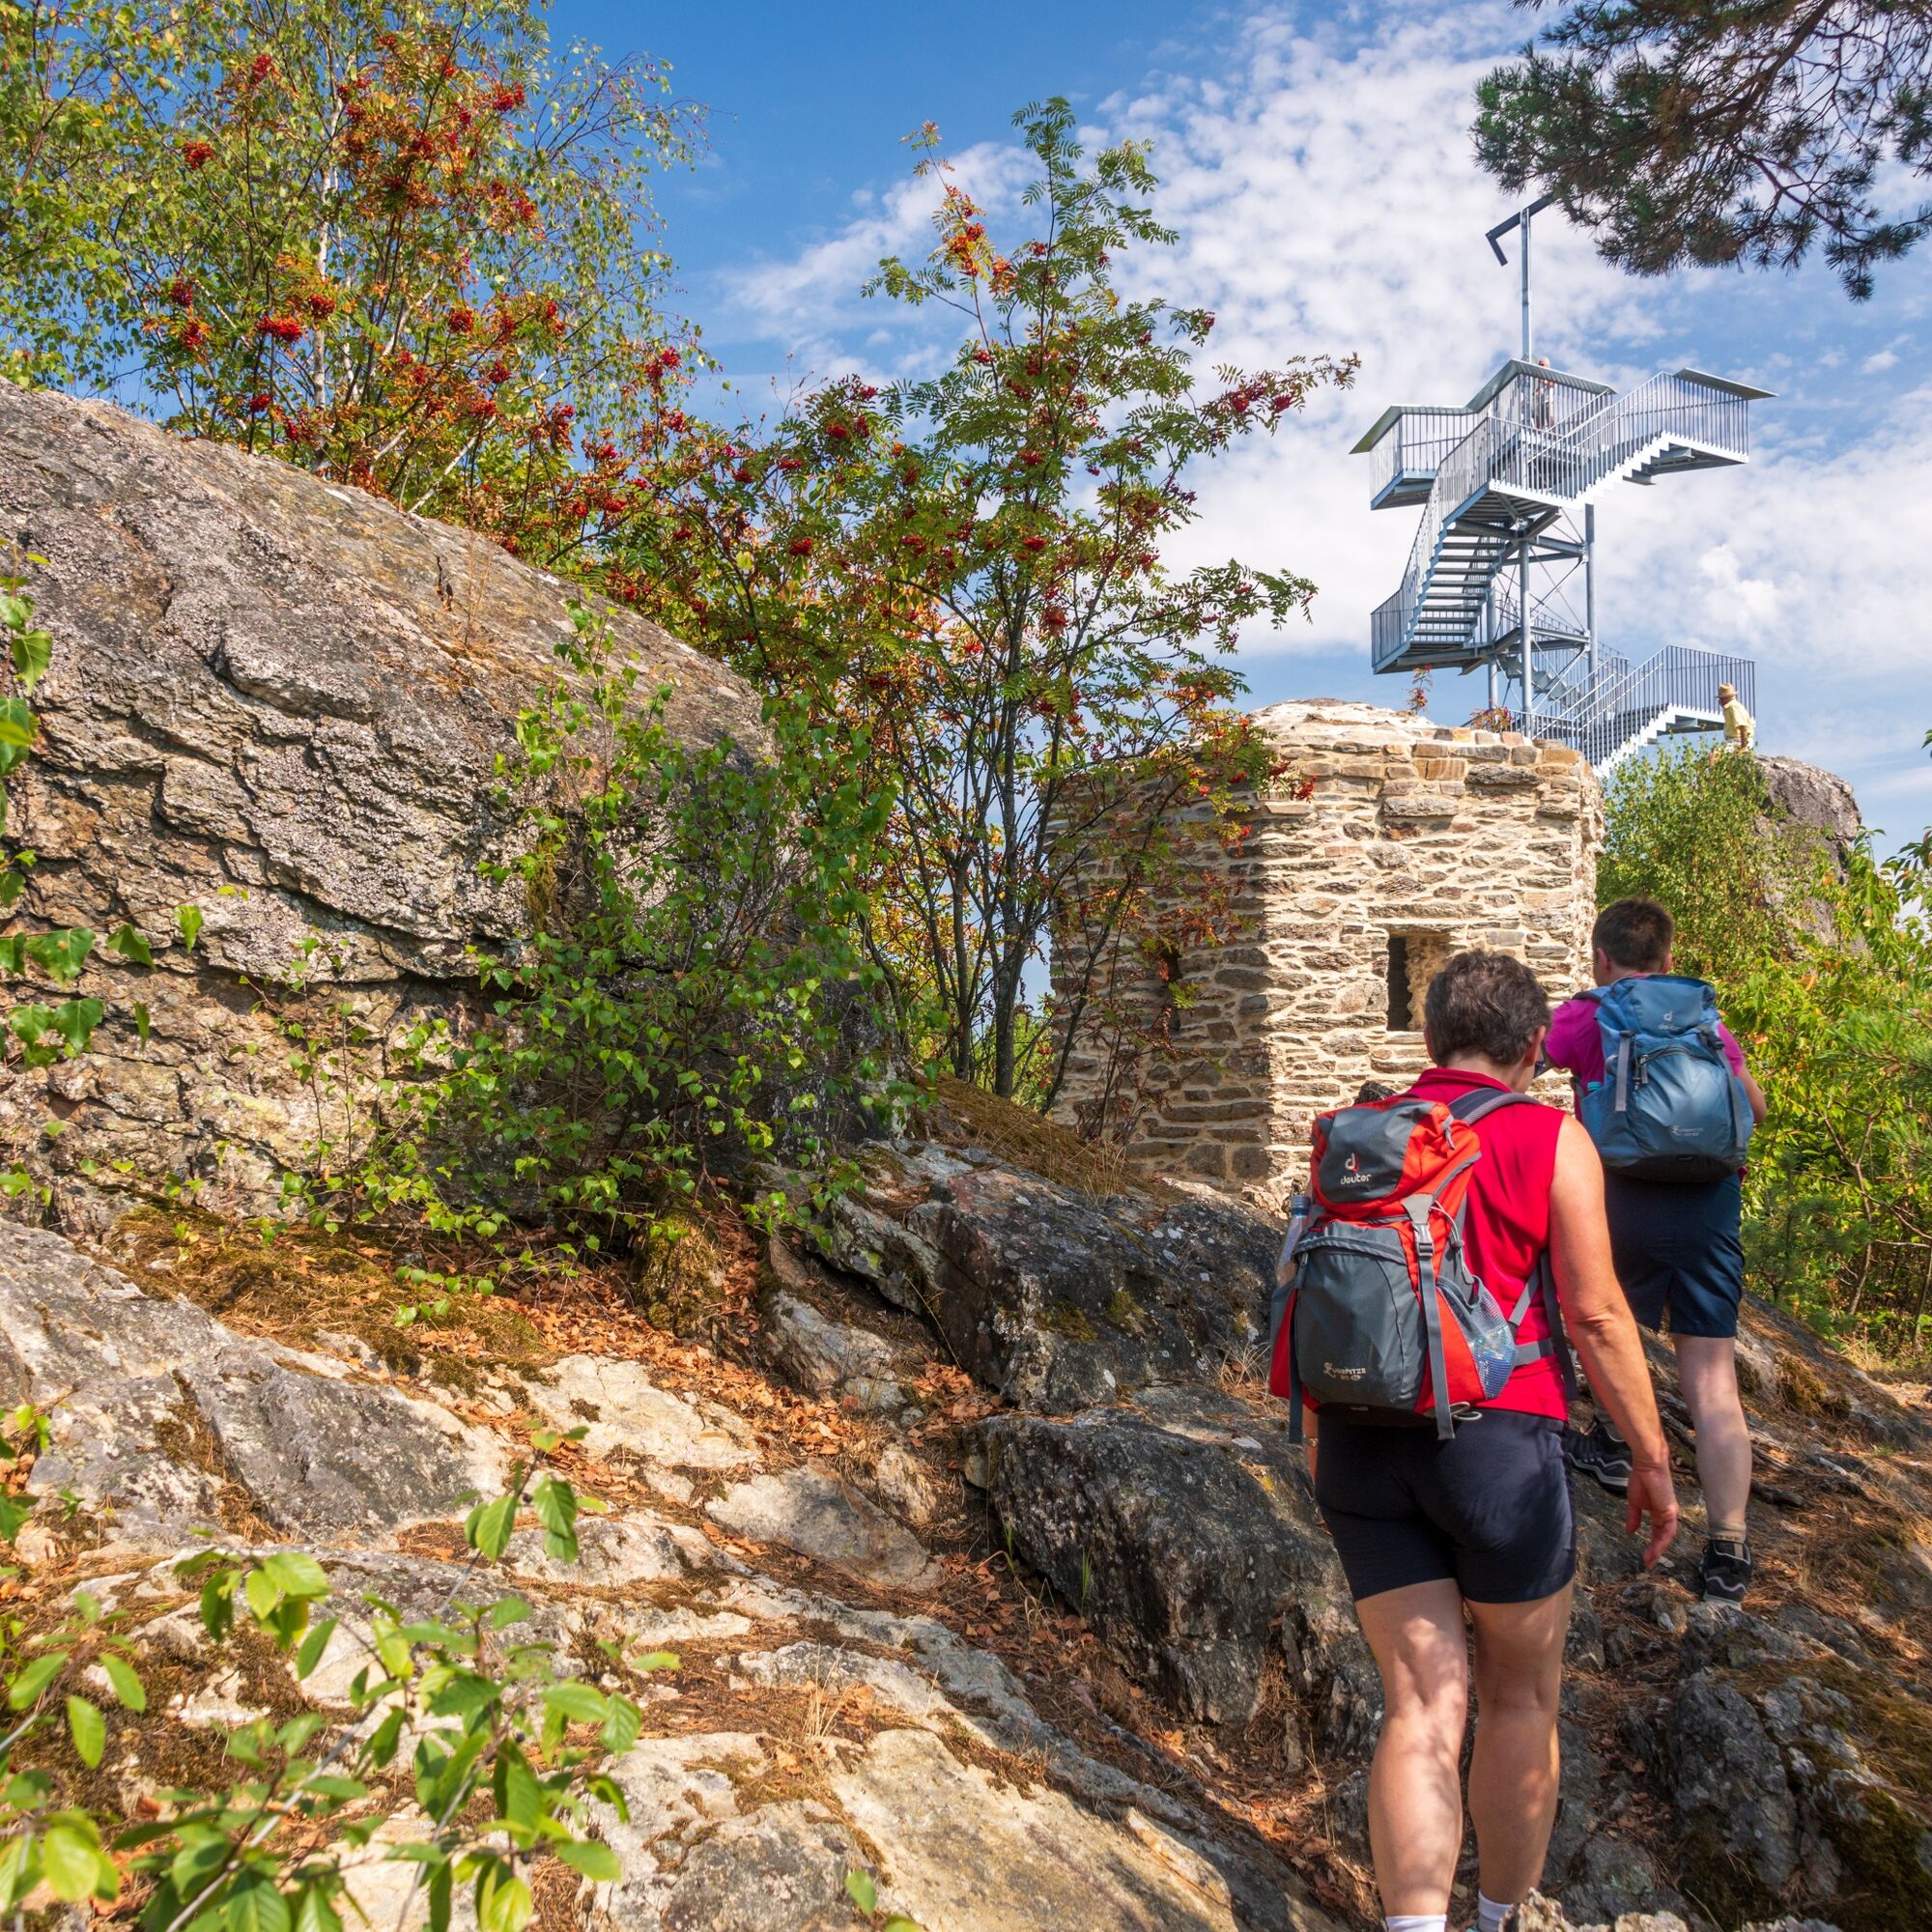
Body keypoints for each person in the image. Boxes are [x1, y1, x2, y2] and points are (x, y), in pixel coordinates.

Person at [1308, 950, 1678, 1932]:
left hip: (1357, 1440)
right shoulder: (1549, 1138)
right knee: (1518, 1696)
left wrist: (1317, 1439)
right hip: (1497, 1446)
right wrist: (1649, 1456)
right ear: (1533, 1049)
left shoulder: (1356, 1134)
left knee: (1419, 1704)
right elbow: (1595, 1314)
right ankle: (1496, 1917)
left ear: (1430, 1039)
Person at [1545, 897, 1768, 1605]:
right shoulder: (1705, 1019)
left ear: (1601, 959)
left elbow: (1519, 1058)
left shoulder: (1588, 1015)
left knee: (1612, 1326)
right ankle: (1728, 1548)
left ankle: (1615, 1445)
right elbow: (1755, 1108)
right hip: (1709, 1205)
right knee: (1714, 1381)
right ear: (1669, 959)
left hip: (1623, 1199)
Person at [1717, 682, 1755, 752]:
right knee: (1713, 754)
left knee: (1715, 755)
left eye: (1721, 698)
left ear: (1724, 698)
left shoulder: (1733, 707)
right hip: (1734, 741)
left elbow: (1743, 726)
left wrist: (1743, 747)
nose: (1719, 701)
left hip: (1738, 741)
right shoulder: (1731, 707)